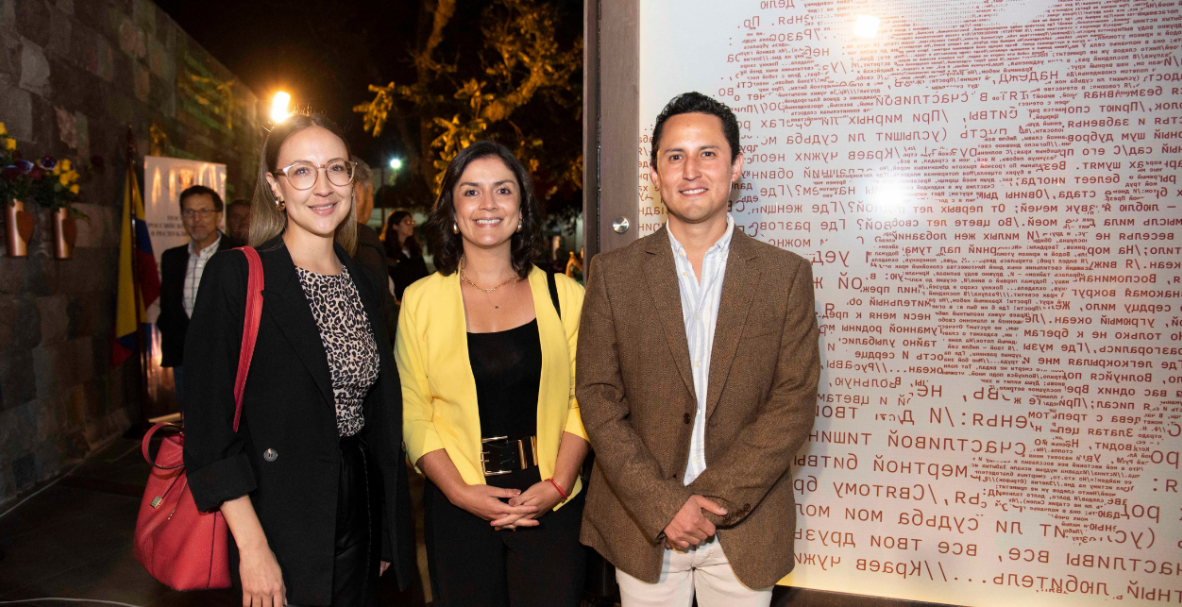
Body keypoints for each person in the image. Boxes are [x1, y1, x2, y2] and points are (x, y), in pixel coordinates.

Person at [576, 92, 820, 606]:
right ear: (655, 173)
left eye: (708, 153)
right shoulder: (613, 275)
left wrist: (711, 504)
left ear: (736, 168)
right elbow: (598, 399)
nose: (691, 170)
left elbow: (793, 403)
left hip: (745, 526)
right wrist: (665, 504)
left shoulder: (785, 276)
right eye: (674, 156)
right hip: (643, 523)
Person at [182, 113, 416, 607]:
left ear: (352, 180)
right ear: (275, 186)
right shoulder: (237, 276)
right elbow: (208, 427)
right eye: (302, 171)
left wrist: (385, 529)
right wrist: (253, 548)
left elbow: (377, 416)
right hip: (271, 506)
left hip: (357, 501)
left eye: (336, 168)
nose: (323, 186)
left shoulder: (365, 283)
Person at [396, 141, 590, 607]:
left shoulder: (566, 295)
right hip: (457, 501)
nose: (487, 204)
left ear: (521, 209)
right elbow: (414, 412)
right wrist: (462, 493)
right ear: (452, 209)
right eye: (471, 192)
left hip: (550, 500)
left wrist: (558, 485)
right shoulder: (420, 300)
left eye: (502, 190)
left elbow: (584, 401)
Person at [157, 184, 242, 409]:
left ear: (218, 215)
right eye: (189, 212)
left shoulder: (240, 255)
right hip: (185, 361)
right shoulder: (171, 258)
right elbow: (168, 309)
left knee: (230, 426)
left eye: (204, 211)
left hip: (229, 361)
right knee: (190, 425)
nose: (196, 219)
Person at [349, 157, 398, 346]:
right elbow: (384, 319)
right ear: (359, 192)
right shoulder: (363, 242)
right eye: (372, 193)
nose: (371, 202)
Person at [383, 209, 428, 302]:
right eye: (407, 222)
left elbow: (424, 276)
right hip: (397, 302)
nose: (411, 225)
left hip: (416, 301)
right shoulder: (386, 250)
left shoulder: (414, 250)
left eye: (412, 222)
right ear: (395, 226)